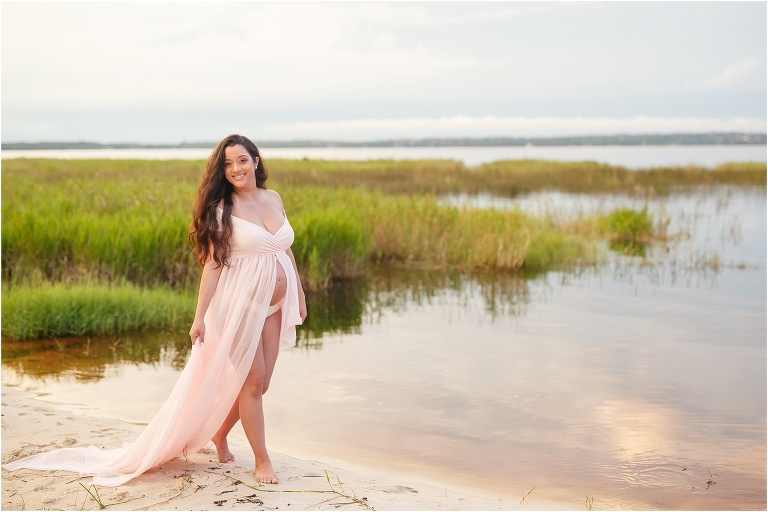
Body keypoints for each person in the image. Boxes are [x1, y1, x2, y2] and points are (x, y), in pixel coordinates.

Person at [2, 134, 307, 486]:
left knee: (262, 384)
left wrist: (295, 292)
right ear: (222, 171)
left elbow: (284, 250)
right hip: (237, 305)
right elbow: (212, 265)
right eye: (227, 164)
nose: (235, 168)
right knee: (251, 383)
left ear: (256, 160)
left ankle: (219, 433)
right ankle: (262, 461)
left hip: (272, 305)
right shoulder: (222, 210)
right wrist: (199, 318)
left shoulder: (273, 198)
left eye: (241, 160)